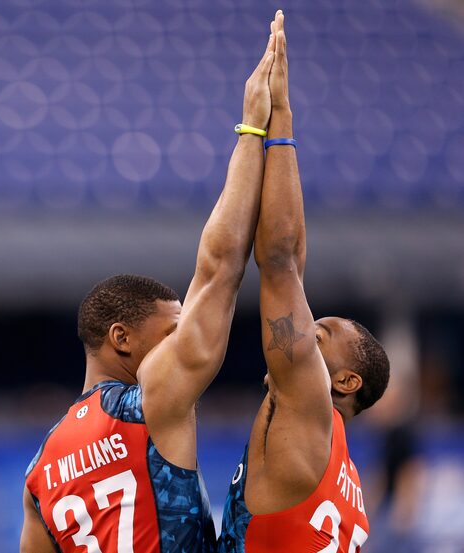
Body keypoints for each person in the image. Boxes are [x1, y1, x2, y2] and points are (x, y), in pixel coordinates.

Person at [20, 13, 282, 553]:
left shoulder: (40, 468)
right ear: (122, 338)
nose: (183, 340)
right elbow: (219, 270)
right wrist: (254, 129)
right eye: (172, 332)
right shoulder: (149, 402)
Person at [217, 11, 391, 553]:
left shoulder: (308, 409)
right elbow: (290, 272)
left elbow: (280, 262)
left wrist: (279, 119)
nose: (309, 324)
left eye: (324, 332)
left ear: (345, 382)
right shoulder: (349, 481)